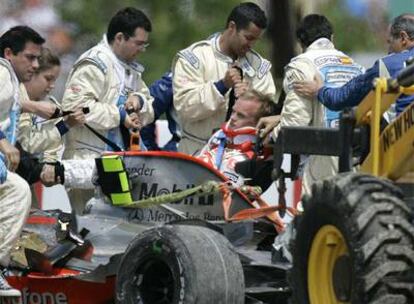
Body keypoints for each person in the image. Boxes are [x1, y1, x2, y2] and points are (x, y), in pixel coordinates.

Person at [61, 7, 154, 214]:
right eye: (139, 43)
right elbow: (76, 108)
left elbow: (149, 105)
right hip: (89, 162)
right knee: (90, 233)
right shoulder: (95, 62)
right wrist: (120, 115)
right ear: (120, 37)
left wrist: (138, 102)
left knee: (120, 234)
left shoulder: (130, 69)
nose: (142, 49)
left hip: (120, 164)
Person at [257, 14, 364, 195]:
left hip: (323, 160)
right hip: (358, 159)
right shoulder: (356, 66)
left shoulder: (301, 66)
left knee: (310, 219)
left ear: (301, 42)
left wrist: (272, 137)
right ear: (332, 38)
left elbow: (296, 122)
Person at [172, 2, 276, 155]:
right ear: (232, 27)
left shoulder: (259, 66)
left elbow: (269, 113)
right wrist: (222, 86)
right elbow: (185, 108)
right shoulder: (195, 58)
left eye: (256, 40)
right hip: (196, 152)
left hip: (241, 155)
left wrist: (249, 99)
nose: (251, 45)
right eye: (248, 38)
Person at [293, 14, 414, 116]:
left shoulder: (389, 64)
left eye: (390, 42)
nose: (389, 50)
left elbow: (344, 97)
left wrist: (319, 91)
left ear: (403, 38)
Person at [0, 25, 45, 298]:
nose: (36, 64)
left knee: (17, 190)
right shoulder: (3, 72)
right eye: (30, 57)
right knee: (16, 190)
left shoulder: (11, 82)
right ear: (9, 53)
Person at [198, 90, 274, 186]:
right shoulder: (219, 135)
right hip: (196, 188)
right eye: (233, 111)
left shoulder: (259, 155)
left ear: (259, 123)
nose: (233, 117)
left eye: (241, 115)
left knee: (231, 165)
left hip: (228, 196)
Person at [140, 71, 181, 151]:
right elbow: (144, 114)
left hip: (210, 151)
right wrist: (151, 152)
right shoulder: (176, 77)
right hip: (183, 151)